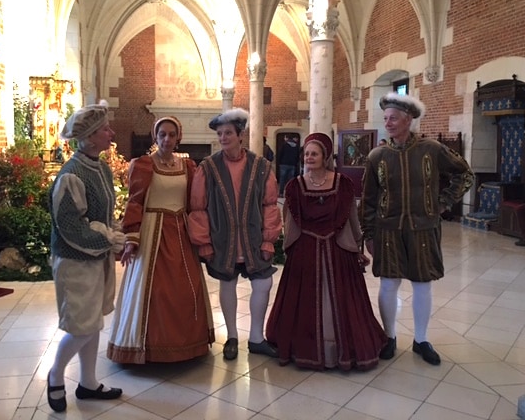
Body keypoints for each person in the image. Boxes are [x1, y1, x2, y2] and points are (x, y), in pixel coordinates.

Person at [361, 92, 474, 366]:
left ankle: (421, 339)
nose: (388, 123)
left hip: (424, 228)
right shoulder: (377, 155)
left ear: (408, 120)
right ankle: (389, 336)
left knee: (422, 284)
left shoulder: (431, 149)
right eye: (386, 118)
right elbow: (368, 199)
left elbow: (464, 173)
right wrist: (369, 233)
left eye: (394, 118)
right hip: (388, 230)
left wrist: (442, 203)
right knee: (388, 284)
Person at [265, 133, 387, 371]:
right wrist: (290, 248)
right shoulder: (295, 186)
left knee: (344, 301)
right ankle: (306, 348)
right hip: (305, 250)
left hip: (337, 247)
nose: (310, 157)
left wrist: (356, 246)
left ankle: (342, 350)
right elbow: (289, 220)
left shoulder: (342, 184)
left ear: (325, 156)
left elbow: (351, 217)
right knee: (302, 300)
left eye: (315, 153)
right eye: (307, 153)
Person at [107, 116, 215, 363]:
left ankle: (187, 345)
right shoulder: (143, 165)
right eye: (162, 134)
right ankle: (145, 347)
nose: (167, 139)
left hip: (180, 233)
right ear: (155, 137)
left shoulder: (188, 167)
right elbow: (135, 202)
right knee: (155, 292)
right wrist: (132, 237)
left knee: (186, 289)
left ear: (179, 138)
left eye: (172, 134)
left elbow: (194, 203)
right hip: (153, 234)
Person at [46, 104, 125, 412]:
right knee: (83, 326)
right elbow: (69, 227)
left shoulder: (101, 167)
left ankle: (88, 383)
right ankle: (55, 375)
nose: (111, 133)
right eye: (105, 129)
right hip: (75, 260)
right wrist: (108, 238)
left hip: (97, 258)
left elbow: (103, 213)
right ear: (90, 137)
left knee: (93, 321)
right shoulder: (71, 174)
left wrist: (113, 236)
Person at [188, 108, 282, 360]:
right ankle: (231, 336)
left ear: (241, 135)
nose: (223, 137)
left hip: (254, 239)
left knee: (263, 282)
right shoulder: (208, 167)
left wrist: (268, 239)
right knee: (227, 284)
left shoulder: (261, 166)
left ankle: (256, 337)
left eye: (228, 132)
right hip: (223, 239)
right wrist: (204, 242)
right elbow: (198, 207)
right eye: (220, 133)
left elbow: (270, 205)